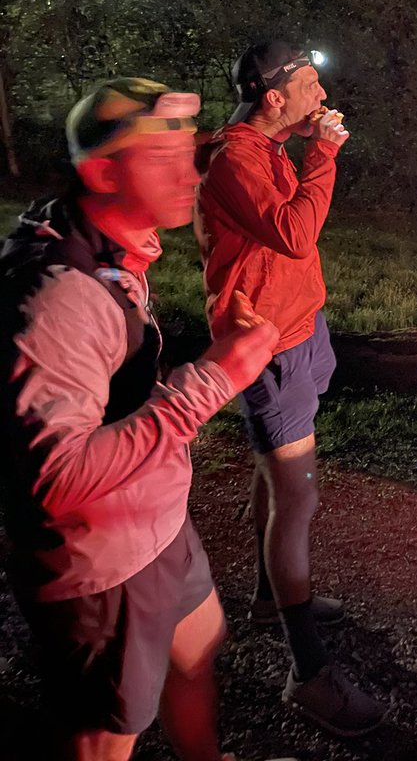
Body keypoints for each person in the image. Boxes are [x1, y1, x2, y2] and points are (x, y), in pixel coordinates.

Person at [0, 77, 293, 761]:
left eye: (189, 153)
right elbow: (55, 477)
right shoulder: (58, 300)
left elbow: (113, 383)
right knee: (106, 734)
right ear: (103, 172)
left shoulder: (112, 247)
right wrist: (217, 376)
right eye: (163, 160)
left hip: (157, 526)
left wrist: (208, 360)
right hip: (99, 567)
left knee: (197, 648)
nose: (191, 172)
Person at [195, 41, 384, 738]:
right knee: (297, 496)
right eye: (308, 84)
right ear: (273, 97)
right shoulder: (236, 158)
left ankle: (270, 601)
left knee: (278, 481)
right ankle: (306, 673)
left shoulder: (268, 143)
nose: (321, 94)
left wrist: (307, 141)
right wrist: (326, 153)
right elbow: (296, 234)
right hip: (265, 345)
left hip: (298, 326)